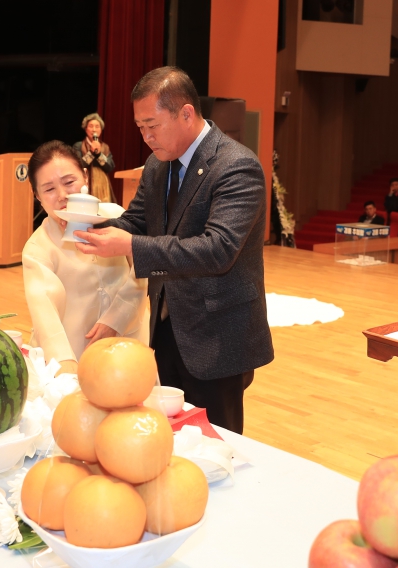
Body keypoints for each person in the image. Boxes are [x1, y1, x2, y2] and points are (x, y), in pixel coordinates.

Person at [78, 66, 273, 432]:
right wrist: (91, 230)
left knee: (217, 442)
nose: (147, 137)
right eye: (140, 127)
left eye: (153, 125)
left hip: (218, 334)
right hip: (168, 326)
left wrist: (132, 246)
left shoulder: (236, 165)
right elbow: (136, 221)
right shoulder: (157, 165)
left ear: (186, 113)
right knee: (171, 435)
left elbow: (218, 249)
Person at [21, 141, 148, 371]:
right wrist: (67, 370)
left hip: (128, 341)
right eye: (49, 189)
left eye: (69, 182)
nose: (62, 195)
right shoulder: (37, 248)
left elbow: (141, 273)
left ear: (86, 177)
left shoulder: (118, 216)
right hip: (73, 354)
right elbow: (46, 320)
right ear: (36, 195)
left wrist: (116, 320)